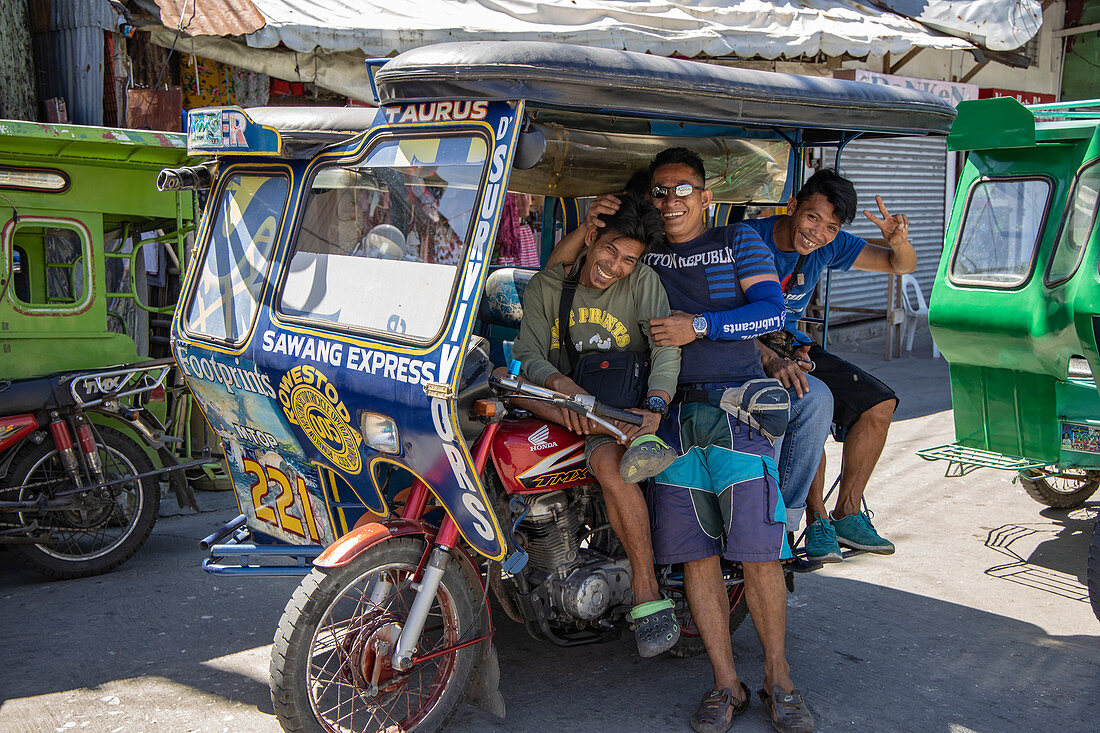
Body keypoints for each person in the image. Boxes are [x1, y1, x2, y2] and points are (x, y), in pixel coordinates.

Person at [550, 149, 813, 733]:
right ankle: (726, 682)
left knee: (756, 552)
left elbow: (770, 308)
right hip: (665, 422)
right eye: (662, 192)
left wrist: (703, 325)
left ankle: (780, 677)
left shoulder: (739, 242)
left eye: (683, 190)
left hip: (737, 411)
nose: (672, 201)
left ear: (706, 195)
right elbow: (563, 276)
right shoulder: (644, 257)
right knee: (695, 556)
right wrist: (591, 224)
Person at [508, 191, 683, 657]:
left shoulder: (643, 283)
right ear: (591, 237)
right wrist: (561, 383)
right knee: (506, 389)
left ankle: (647, 594)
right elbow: (527, 355)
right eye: (610, 250)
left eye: (628, 259)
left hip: (625, 402)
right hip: (563, 400)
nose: (616, 266)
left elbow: (666, 349)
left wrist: (656, 404)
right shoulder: (549, 286)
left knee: (611, 467)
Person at [741, 169, 911, 563]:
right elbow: (719, 312)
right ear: (793, 206)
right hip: (748, 347)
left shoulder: (827, 246)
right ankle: (814, 518)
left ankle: (847, 514)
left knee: (879, 405)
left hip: (795, 347)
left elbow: (899, 265)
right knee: (811, 401)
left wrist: (898, 242)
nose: (818, 232)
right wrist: (770, 355)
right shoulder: (748, 238)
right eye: (813, 218)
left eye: (831, 226)